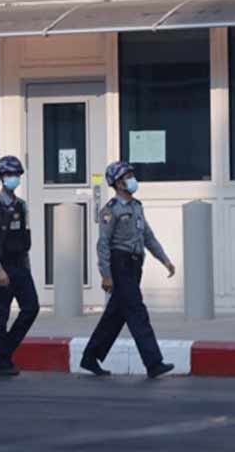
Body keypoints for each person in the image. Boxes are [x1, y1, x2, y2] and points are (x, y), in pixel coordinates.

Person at [80, 161, 176, 379]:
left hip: (134, 265)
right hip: (120, 264)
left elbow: (148, 237)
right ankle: (153, 363)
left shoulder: (137, 206)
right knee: (136, 311)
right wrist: (106, 274)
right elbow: (103, 244)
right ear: (118, 183)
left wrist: (164, 260)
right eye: (127, 176)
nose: (132, 179)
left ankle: (90, 357)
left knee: (116, 315)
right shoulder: (111, 210)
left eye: (132, 175)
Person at [0, 155, 39, 377]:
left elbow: (24, 240)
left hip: (20, 266)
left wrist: (27, 270)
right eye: (10, 174)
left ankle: (3, 351)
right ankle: (0, 363)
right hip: (2, 267)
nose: (14, 178)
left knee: (31, 308)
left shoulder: (21, 205)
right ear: (2, 177)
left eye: (16, 174)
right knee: (1, 315)